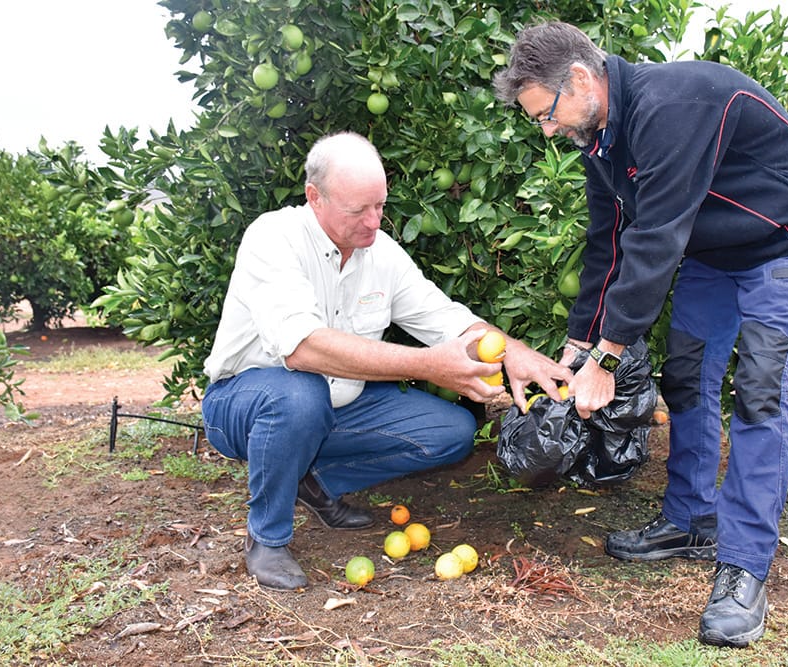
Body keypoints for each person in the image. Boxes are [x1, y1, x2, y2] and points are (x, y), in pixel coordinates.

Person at [493, 22, 788, 647]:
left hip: (783, 241)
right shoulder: (600, 138)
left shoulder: (671, 105)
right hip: (713, 251)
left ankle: (744, 567)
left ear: (580, 79)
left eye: (546, 113)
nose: (546, 129)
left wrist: (607, 359)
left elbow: (654, 241)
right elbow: (609, 243)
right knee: (685, 378)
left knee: (759, 392)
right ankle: (690, 519)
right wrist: (579, 344)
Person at [201, 131, 572, 591]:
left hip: (335, 406)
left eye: (380, 205)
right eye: (358, 209)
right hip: (245, 402)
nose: (374, 221)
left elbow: (443, 318)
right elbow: (303, 349)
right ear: (315, 197)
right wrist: (426, 365)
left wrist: (513, 351)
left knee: (451, 432)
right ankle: (267, 537)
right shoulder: (274, 238)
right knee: (300, 394)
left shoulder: (381, 253)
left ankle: (312, 480)